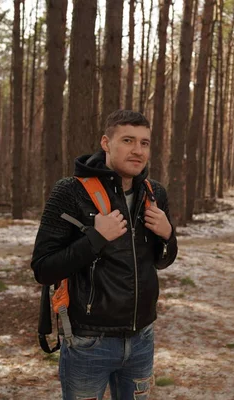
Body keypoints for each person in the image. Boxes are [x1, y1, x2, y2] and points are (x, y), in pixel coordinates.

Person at [31, 110, 178, 400]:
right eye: (127, 140)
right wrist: (95, 239)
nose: (137, 150)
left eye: (144, 143)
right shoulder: (70, 192)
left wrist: (168, 235)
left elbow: (163, 260)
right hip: (89, 342)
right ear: (106, 143)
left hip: (141, 339)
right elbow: (43, 269)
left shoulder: (154, 193)